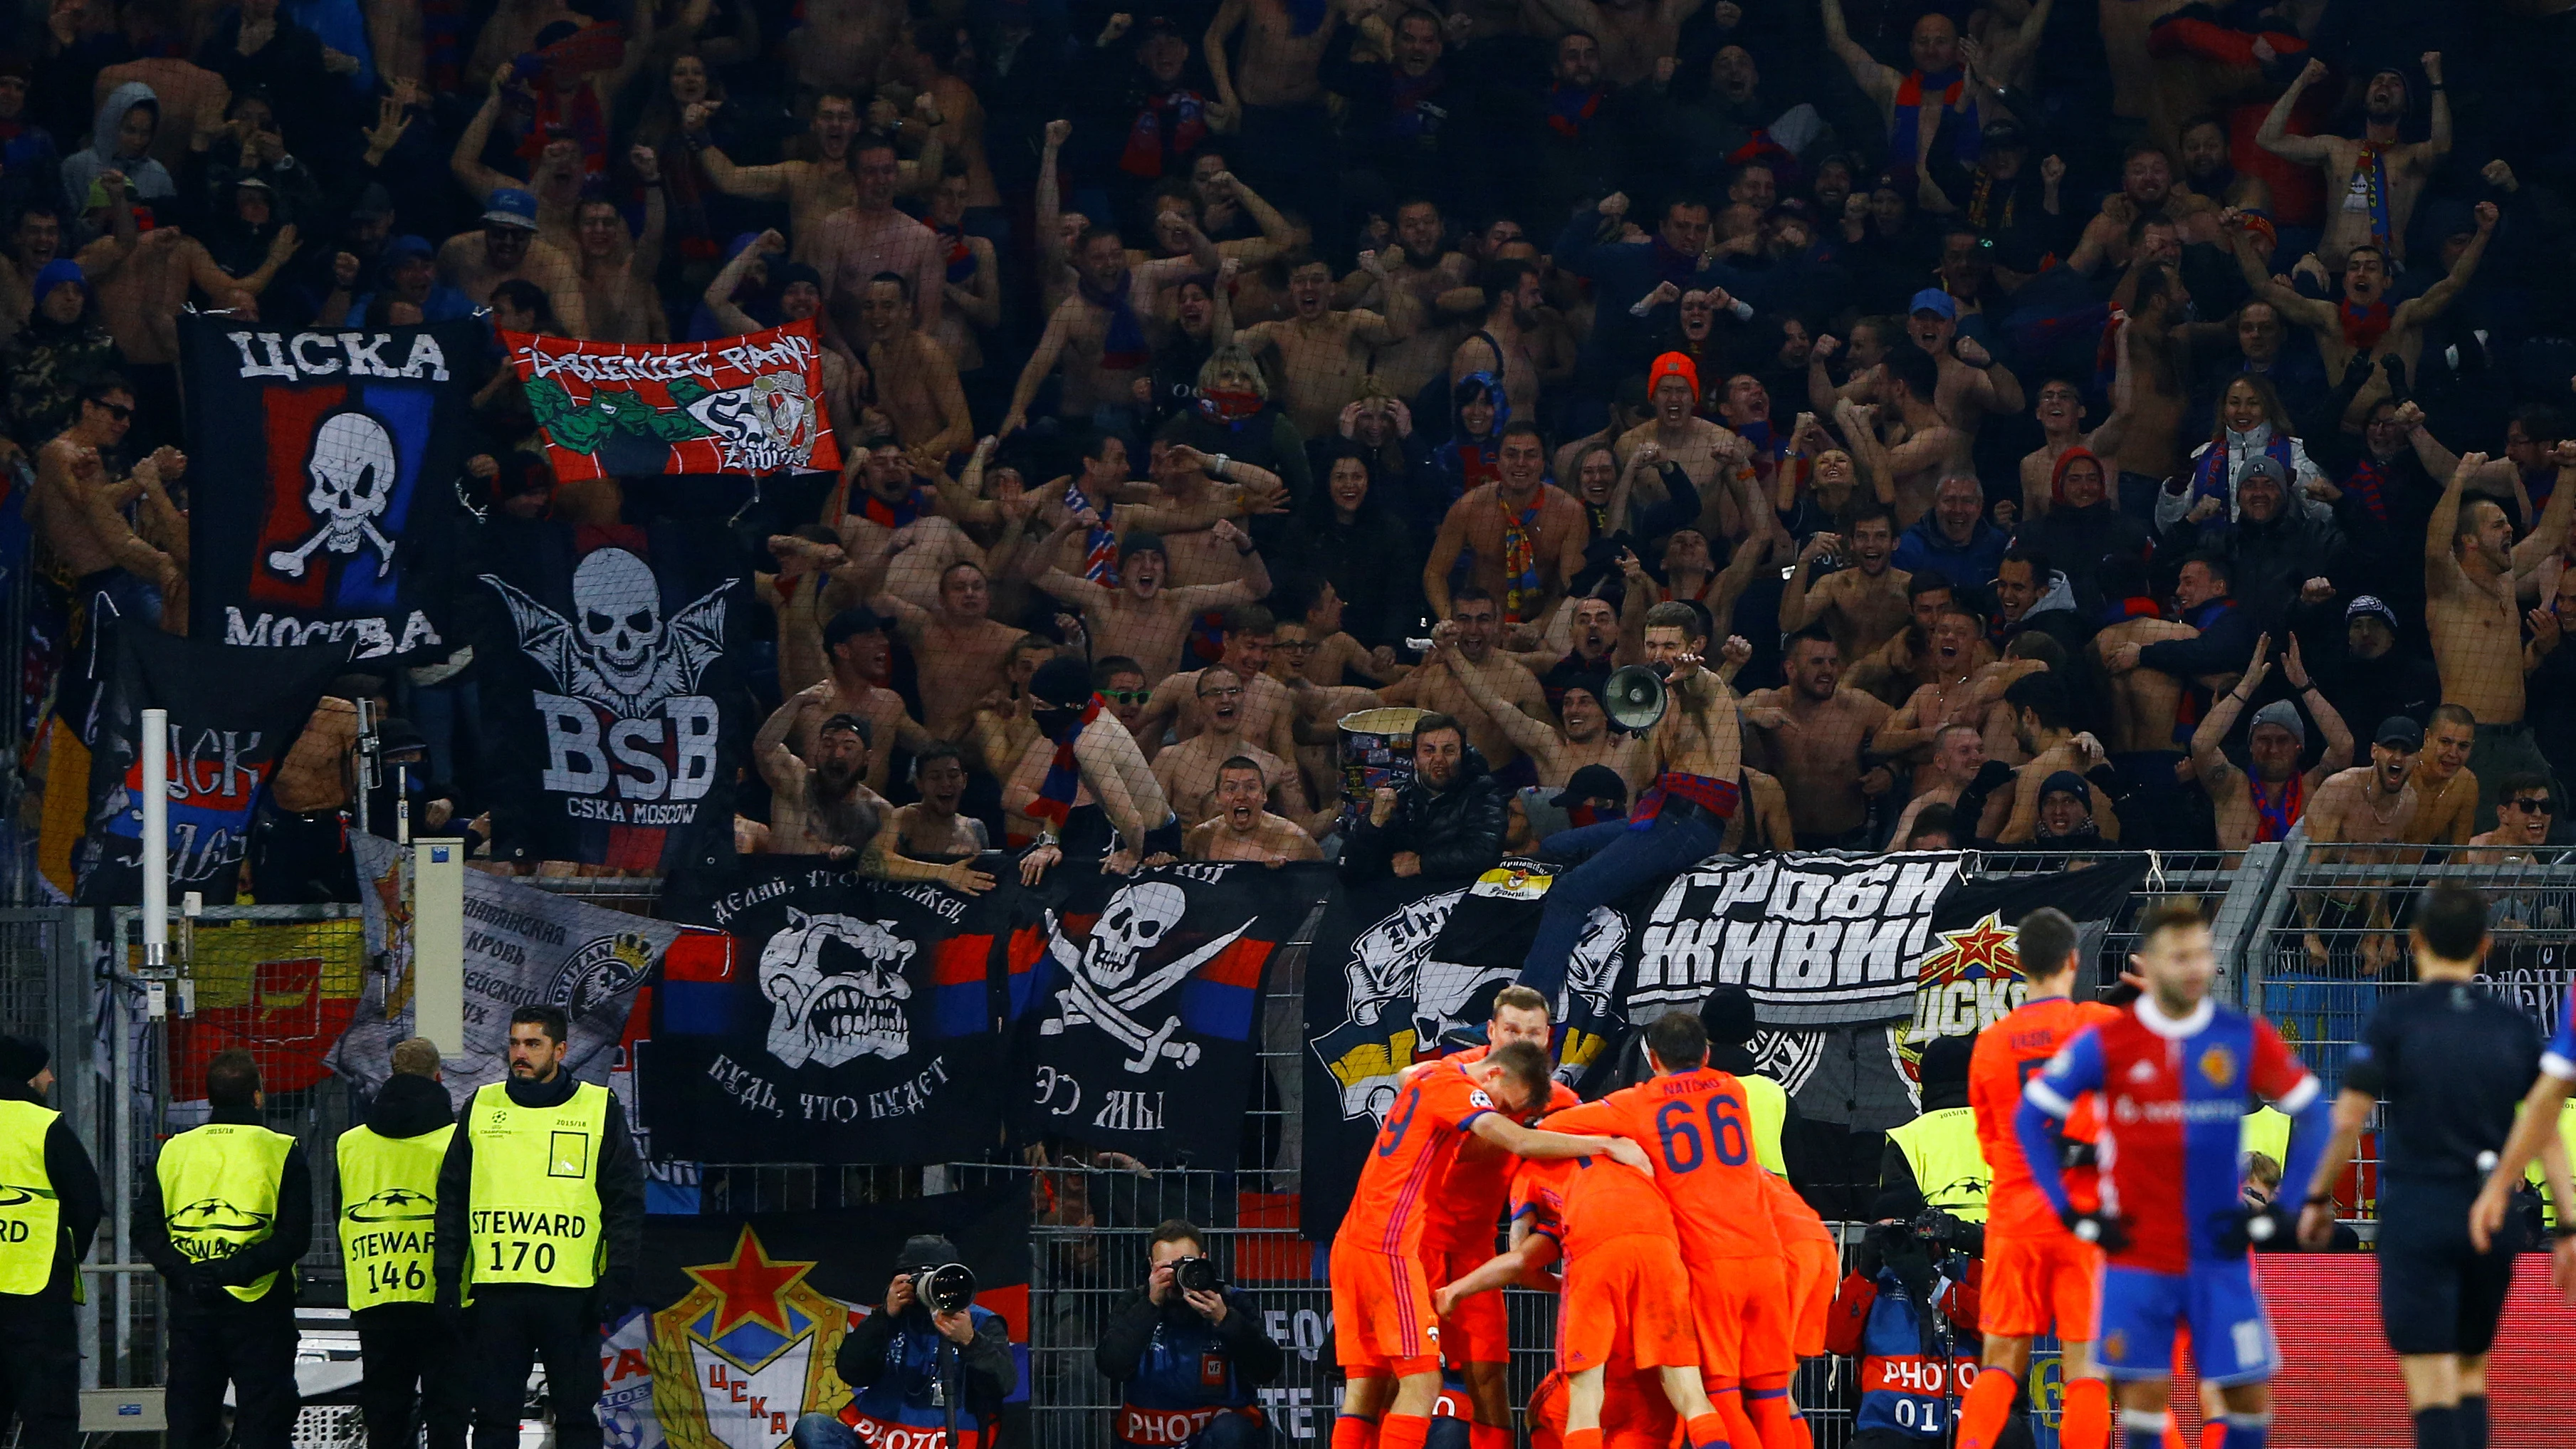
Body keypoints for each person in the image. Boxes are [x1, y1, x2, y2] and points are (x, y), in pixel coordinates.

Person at [2016, 901, 2333, 1449]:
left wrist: (2283, 1210)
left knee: (2246, 1398)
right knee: (2141, 1400)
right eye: (2179, 955)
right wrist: (2072, 1211)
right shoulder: (2109, 1041)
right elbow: (2028, 1119)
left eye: (2201, 955)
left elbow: (2316, 1113)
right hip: (2140, 1255)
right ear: (2151, 963)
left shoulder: (2240, 1036)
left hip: (2218, 1253)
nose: (2193, 967)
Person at [2299, 886, 2569, 1449]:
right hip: (2492, 1213)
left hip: (2418, 1211)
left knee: (2429, 1381)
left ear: (2415, 941)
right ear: (2486, 945)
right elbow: (2543, 1125)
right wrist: (2568, 1223)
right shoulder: (2514, 1024)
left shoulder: (2394, 1019)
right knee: (2471, 1371)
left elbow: (2349, 1117)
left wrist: (2318, 1197)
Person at [1326, 1044, 1645, 1449]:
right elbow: (1517, 1141)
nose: (1497, 1110)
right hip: (1389, 1247)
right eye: (1499, 1103)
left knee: (1365, 1388)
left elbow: (1409, 1076)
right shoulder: (1459, 1088)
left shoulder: (1429, 1076)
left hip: (1355, 1241)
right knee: (1423, 1383)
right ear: (1493, 1068)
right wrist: (1606, 1145)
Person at [1543, 1013, 1800, 1449]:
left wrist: (1611, 1142)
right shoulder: (1733, 1089)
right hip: (1767, 1257)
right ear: (1706, 1053)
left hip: (1709, 1265)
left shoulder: (1640, 1102)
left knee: (1719, 1396)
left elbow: (1550, 1126)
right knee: (1774, 1396)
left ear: (1651, 1057)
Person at [436, 1007, 644, 1449]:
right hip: (496, 1290)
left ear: (560, 1049)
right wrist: (446, 1278)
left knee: (575, 1419)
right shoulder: (482, 1104)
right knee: (493, 1419)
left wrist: (619, 1276)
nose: (520, 1054)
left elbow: (624, 1201)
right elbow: (452, 1197)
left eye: (533, 1044)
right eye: (514, 1043)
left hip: (571, 1294)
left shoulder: (596, 1107)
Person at [1954, 908, 2119, 1449]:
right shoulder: (2096, 1023)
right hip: (2082, 1214)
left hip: (2016, 1213)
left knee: (2000, 1361)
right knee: (2087, 1368)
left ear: (2018, 964)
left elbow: (1989, 1145)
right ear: (2074, 959)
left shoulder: (1991, 1044)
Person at [1411, 987, 1578, 1449]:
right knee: (1400, 1380)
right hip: (1413, 1244)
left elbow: (1566, 1170)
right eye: (1512, 1030)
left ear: (1548, 1038)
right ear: (1491, 1032)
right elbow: (1478, 1145)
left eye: (1533, 1032)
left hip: (1474, 1248)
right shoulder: (1460, 1076)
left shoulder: (1559, 1099)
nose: (1522, 1039)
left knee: (1488, 1377)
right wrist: (1537, 1130)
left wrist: (1526, 1213)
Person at [140, 1049, 309, 1449]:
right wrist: (235, 1270)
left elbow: (145, 1228)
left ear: (210, 1097)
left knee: (190, 1418)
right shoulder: (281, 1148)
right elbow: (294, 1236)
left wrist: (185, 1273)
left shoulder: (175, 1149)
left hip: (191, 1303)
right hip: (261, 1303)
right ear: (257, 1095)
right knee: (265, 1418)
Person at [336, 1039, 466, 1449]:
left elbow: (341, 1213)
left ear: (391, 1075)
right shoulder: (458, 1141)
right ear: (439, 1076)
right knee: (447, 1412)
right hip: (442, 1295)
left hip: (377, 1289)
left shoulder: (350, 1143)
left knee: (385, 1416)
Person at [793, 1234, 1017, 1449]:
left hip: (949, 1440)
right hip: (883, 1439)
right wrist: (884, 1317)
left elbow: (1003, 1385)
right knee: (813, 1427)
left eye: (939, 1278)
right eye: (918, 1277)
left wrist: (970, 1341)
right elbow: (852, 1372)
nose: (929, 1287)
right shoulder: (890, 1317)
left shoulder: (979, 1322)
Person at [1096, 1219, 1285, 1449]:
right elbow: (1111, 1364)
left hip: (1216, 1438)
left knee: (1233, 1432)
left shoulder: (1231, 1301)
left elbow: (1267, 1370)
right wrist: (1151, 1304)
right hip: (1149, 1441)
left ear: (1203, 1260)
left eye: (1185, 1266)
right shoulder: (1135, 1302)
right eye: (1166, 1269)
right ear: (1151, 1266)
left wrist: (1224, 1319)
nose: (1177, 1277)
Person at [0, 1033, 101, 1449]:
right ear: (25, 1075)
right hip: (37, 1292)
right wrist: (62, 1249)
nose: (51, 1078)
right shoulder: (44, 1126)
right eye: (43, 1069)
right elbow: (87, 1202)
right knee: (48, 1413)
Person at [1012, 656, 1180, 877]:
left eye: (1042, 706)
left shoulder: (1089, 745)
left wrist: (1131, 855)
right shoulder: (1090, 711)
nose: (1035, 713)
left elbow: (1133, 821)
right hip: (1120, 827)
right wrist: (1049, 842)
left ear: (1068, 705)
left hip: (1149, 840)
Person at [2190, 634, 2353, 851]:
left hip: (2298, 886)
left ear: (2300, 746)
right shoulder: (2232, 789)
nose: (2273, 749)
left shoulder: (2314, 790)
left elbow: (2344, 746)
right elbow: (2201, 745)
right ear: (2250, 746)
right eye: (2263, 740)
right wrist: (2247, 685)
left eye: (2283, 740)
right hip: (2238, 885)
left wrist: (2304, 686)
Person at [1341, 711, 1505, 884]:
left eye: (1449, 751)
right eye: (1429, 751)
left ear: (1462, 757)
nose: (1439, 759)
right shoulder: (1396, 795)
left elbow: (1486, 852)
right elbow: (1349, 870)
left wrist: (1420, 863)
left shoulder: (1483, 791)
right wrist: (1375, 823)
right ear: (1415, 760)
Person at [1880, 1035, 1989, 1223]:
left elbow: (1895, 1221)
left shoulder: (1907, 1138)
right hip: (2009, 1250)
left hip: (1939, 1251)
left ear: (1925, 1082)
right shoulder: (2008, 1130)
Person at [1184, 756, 1324, 865]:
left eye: (1250, 788)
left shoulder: (1293, 840)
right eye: (1231, 789)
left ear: (1264, 796)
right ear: (1218, 798)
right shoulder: (1202, 836)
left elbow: (1324, 885)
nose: (1241, 797)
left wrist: (1283, 875)